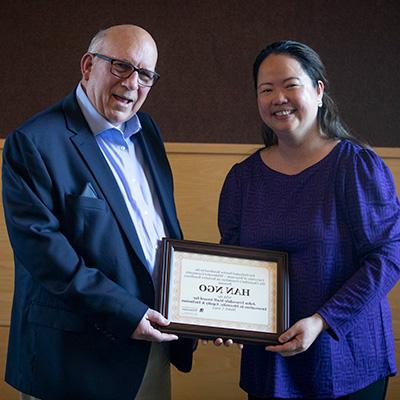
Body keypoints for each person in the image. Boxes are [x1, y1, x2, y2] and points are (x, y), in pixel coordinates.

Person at [2, 24, 194, 400]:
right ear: (89, 66)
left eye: (145, 74)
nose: (132, 83)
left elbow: (158, 231)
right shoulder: (34, 142)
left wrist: (199, 309)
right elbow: (47, 257)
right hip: (73, 358)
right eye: (121, 66)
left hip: (149, 345)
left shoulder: (147, 131)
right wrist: (128, 314)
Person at [218, 40, 400, 399]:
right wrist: (226, 316)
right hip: (270, 362)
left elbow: (389, 255)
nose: (278, 98)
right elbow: (233, 260)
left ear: (318, 91)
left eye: (290, 85)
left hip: (345, 354)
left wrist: (323, 320)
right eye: (266, 89)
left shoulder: (355, 166)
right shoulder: (243, 177)